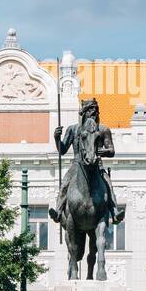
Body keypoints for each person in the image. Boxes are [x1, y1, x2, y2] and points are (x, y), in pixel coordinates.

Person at [49, 97, 125, 226]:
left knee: (108, 185)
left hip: (97, 165)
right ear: (83, 112)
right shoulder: (73, 129)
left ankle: (115, 212)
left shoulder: (103, 129)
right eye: (90, 110)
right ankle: (58, 210)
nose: (94, 113)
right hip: (77, 165)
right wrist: (56, 138)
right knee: (65, 184)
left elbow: (111, 151)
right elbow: (62, 150)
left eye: (95, 110)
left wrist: (104, 152)